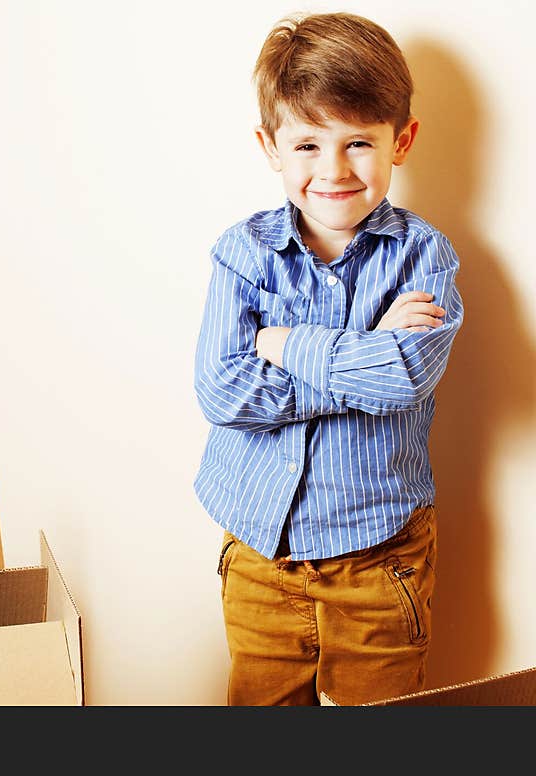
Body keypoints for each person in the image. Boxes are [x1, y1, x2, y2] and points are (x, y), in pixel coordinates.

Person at [193, 11, 464, 706]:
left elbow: (404, 377)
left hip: (380, 561)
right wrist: (365, 353)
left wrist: (285, 345)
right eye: (308, 144)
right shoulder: (243, 254)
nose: (333, 170)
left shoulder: (422, 256)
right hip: (260, 555)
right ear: (270, 145)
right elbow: (223, 391)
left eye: (358, 143)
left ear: (401, 140)